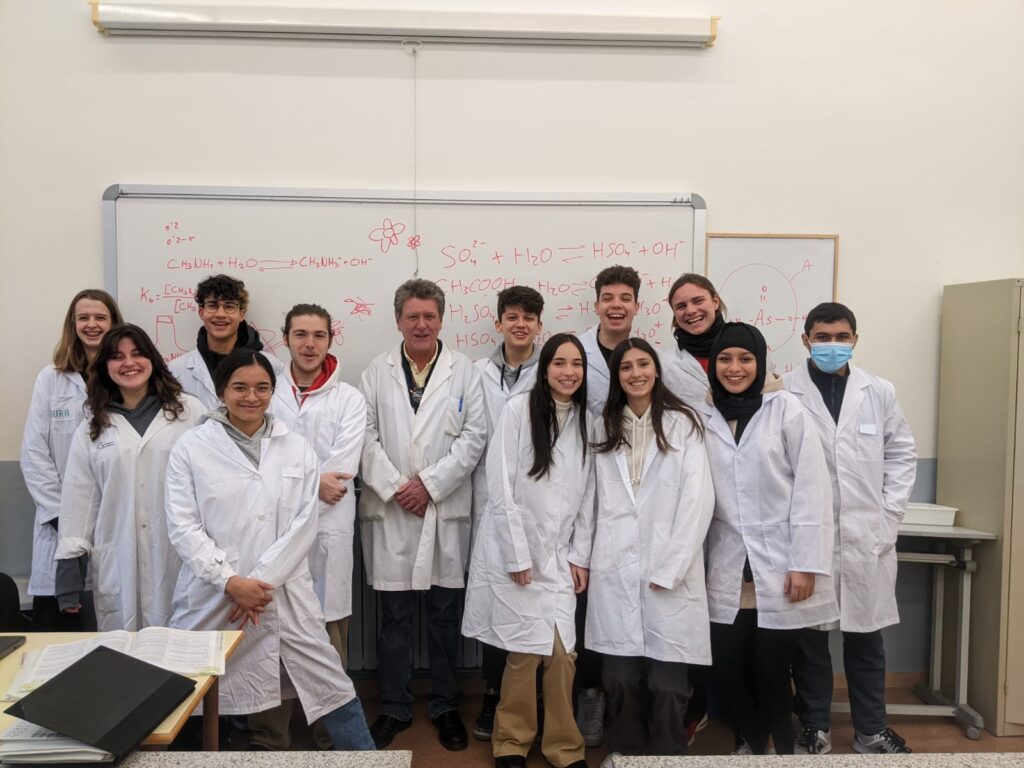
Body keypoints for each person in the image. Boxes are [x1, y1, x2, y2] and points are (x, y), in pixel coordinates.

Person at [165, 350, 374, 751]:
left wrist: (258, 584)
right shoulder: (191, 447)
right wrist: (230, 581)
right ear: (222, 392)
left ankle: (364, 757)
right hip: (215, 592)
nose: (251, 397)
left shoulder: (295, 447)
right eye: (240, 387)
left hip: (282, 591)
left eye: (262, 388)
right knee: (186, 683)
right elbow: (183, 526)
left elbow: (304, 523)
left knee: (329, 681)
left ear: (272, 392)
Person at [696, 322, 838, 755]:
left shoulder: (786, 409)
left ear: (760, 362)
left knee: (772, 672)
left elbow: (812, 489)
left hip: (780, 564)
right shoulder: (704, 414)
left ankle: (778, 751)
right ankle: (750, 742)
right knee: (727, 667)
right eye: (725, 359)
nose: (734, 368)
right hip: (726, 565)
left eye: (745, 359)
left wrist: (805, 564)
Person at [359, 279, 486, 751]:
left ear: (441, 319)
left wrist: (429, 485)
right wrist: (398, 487)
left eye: (429, 316)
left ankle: (445, 706)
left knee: (444, 617)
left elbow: (474, 436)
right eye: (412, 316)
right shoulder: (376, 372)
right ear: (398, 320)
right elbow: (364, 436)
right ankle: (393, 707)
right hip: (392, 511)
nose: (421, 324)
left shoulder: (464, 372)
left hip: (442, 510)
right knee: (393, 620)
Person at [785, 302, 916, 755]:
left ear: (855, 340)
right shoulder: (785, 392)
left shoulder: (878, 391)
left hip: (866, 537)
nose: (832, 345)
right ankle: (814, 727)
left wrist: (889, 516)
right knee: (810, 642)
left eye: (842, 337)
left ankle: (871, 731)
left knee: (867, 640)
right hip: (810, 537)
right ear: (806, 340)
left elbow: (901, 454)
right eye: (823, 337)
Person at [462, 333, 593, 768]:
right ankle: (511, 742)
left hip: (560, 556)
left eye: (577, 364)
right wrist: (517, 555)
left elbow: (590, 495)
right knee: (523, 653)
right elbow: (499, 486)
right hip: (517, 552)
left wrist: (580, 555)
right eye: (560, 363)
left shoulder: (587, 420)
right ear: (545, 368)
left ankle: (563, 746)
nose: (569, 372)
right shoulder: (518, 410)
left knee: (562, 655)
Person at [247, 304, 367, 751]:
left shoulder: (349, 398)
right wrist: (312, 480)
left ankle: (329, 735)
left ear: (331, 340)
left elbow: (341, 472)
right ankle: (269, 736)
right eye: (300, 334)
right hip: (271, 535)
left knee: (328, 635)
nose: (309, 344)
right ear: (286, 339)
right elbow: (255, 460)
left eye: (318, 335)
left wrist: (293, 479)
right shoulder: (265, 391)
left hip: (327, 532)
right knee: (269, 633)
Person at [588, 339, 714, 764]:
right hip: (615, 566)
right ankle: (625, 752)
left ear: (657, 370)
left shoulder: (684, 424)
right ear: (617, 376)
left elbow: (698, 500)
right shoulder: (601, 426)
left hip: (670, 568)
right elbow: (588, 501)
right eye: (626, 367)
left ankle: (667, 754)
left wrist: (672, 566)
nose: (636, 373)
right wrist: (581, 557)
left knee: (668, 683)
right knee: (619, 678)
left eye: (643, 364)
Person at [54, 325, 204, 630]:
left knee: (183, 646)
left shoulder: (189, 412)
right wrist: (69, 575)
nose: (129, 363)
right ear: (105, 366)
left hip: (180, 554)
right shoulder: (93, 424)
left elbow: (214, 484)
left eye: (137, 354)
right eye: (117, 357)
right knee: (123, 649)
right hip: (119, 558)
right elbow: (79, 499)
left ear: (152, 359)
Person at [20, 288, 123, 631]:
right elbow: (34, 452)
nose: (92, 324)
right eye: (84, 317)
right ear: (73, 324)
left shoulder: (127, 377)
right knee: (59, 632)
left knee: (109, 628)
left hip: (110, 520)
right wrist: (62, 518)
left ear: (114, 323)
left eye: (100, 317)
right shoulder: (51, 378)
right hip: (57, 522)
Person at [471, 286, 546, 741]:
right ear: (498, 323)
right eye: (512, 317)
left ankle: (532, 698)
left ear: (540, 326)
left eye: (529, 318)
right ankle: (492, 692)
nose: (521, 324)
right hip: (487, 502)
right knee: (494, 601)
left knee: (532, 603)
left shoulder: (553, 371)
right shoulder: (476, 373)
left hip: (537, 506)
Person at [574, 264, 641, 745]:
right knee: (584, 608)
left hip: (631, 496)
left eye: (625, 298)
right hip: (578, 490)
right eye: (608, 298)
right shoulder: (573, 354)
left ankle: (629, 704)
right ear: (595, 304)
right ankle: (589, 694)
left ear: (637, 306)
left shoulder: (646, 357)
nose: (616, 306)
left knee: (627, 605)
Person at [169, 273, 283, 409]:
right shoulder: (176, 370)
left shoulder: (274, 367)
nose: (220, 314)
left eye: (229, 307)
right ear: (201, 312)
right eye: (212, 306)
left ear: (241, 314)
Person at [662, 273, 727, 407]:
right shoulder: (665, 364)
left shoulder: (748, 347)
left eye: (698, 301)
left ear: (715, 302)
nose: (690, 311)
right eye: (681, 306)